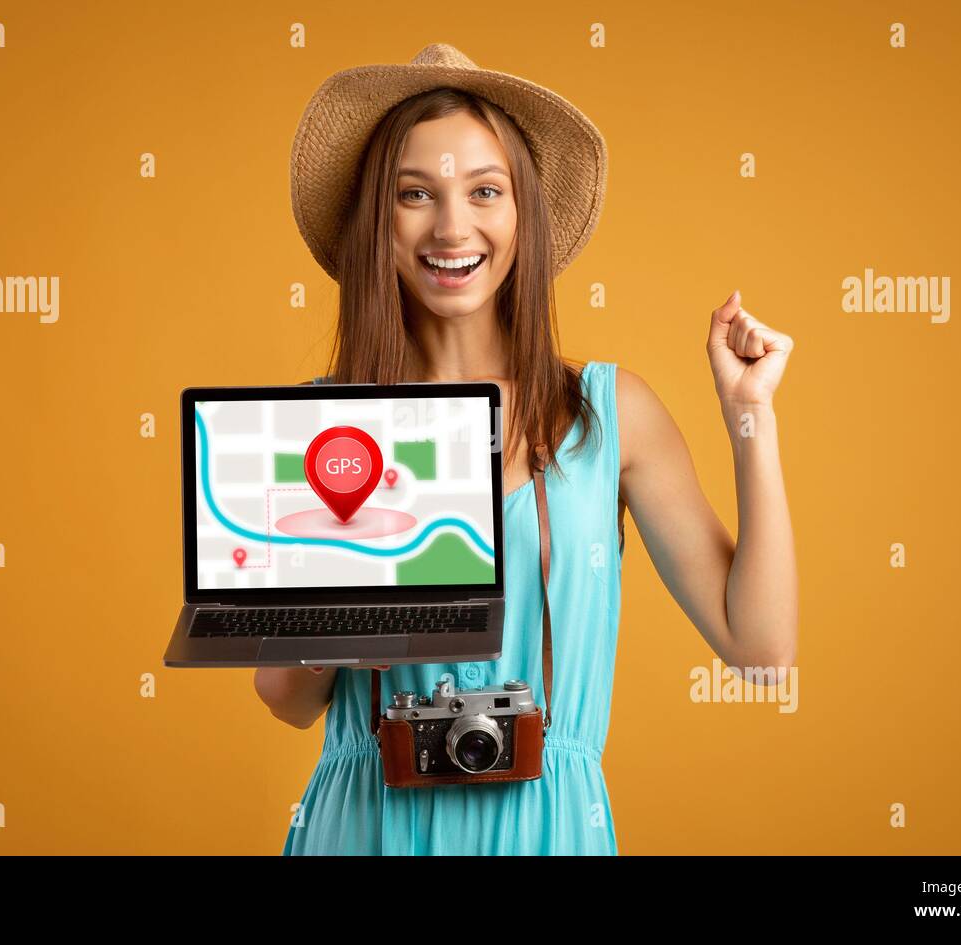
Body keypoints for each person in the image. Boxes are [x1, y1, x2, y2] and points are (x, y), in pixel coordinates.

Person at [255, 43, 798, 855]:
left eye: (484, 190)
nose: (452, 226)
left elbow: (760, 651)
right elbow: (287, 697)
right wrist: (353, 602)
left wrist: (750, 417)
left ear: (524, 213)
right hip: (366, 823)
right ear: (379, 220)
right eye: (415, 194)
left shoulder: (608, 413)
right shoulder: (326, 429)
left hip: (547, 825)